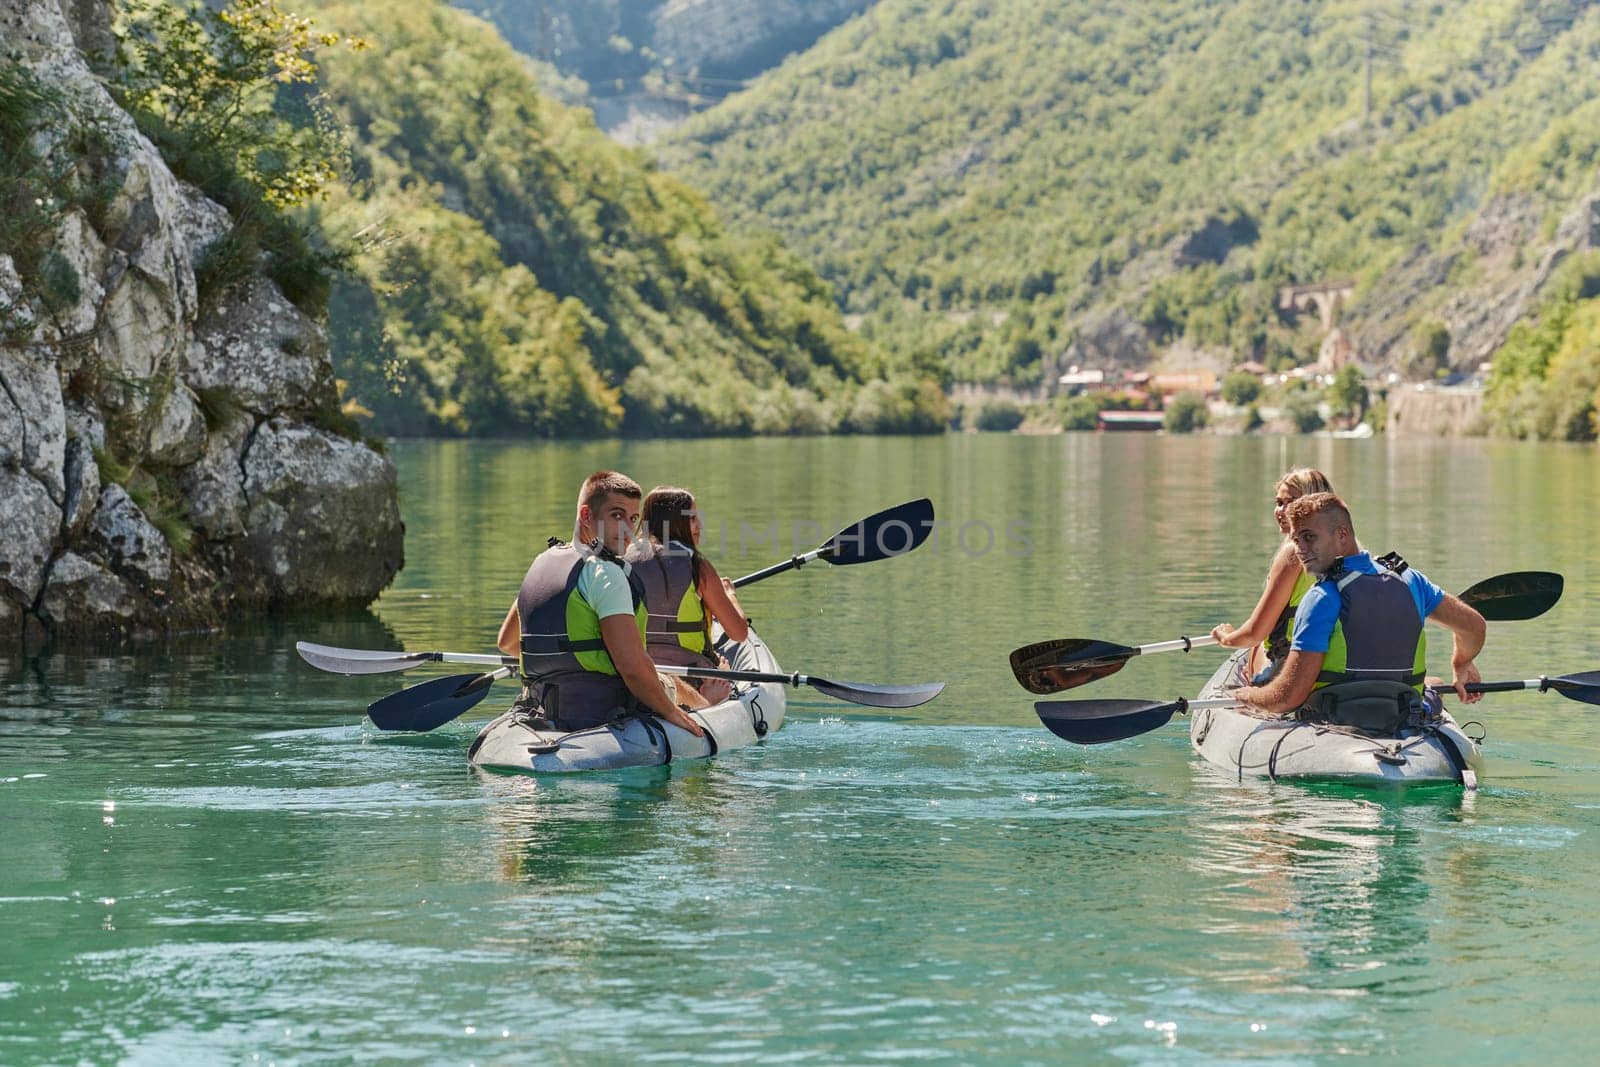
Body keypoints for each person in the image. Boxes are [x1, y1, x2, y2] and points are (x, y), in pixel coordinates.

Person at [1231, 493, 1486, 728]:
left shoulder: (1322, 597)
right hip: (1402, 713)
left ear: (1342, 535)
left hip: (1335, 717)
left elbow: (1287, 697)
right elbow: (1473, 626)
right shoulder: (1410, 580)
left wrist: (1248, 695)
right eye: (1296, 540)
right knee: (1434, 685)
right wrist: (1462, 662)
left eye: (1309, 537)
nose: (1300, 549)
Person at [495, 471, 704, 738]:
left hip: (543, 706)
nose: (629, 530)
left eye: (633, 518)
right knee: (679, 686)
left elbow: (509, 643)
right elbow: (633, 669)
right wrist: (673, 713)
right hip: (604, 707)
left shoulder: (543, 563)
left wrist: (563, 666)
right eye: (617, 516)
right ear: (586, 516)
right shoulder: (607, 573)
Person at [625, 486, 749, 707]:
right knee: (723, 667)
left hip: (638, 675)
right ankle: (705, 700)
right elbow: (738, 633)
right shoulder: (696, 565)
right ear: (675, 522)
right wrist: (729, 596)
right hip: (692, 676)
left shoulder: (622, 559)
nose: (699, 526)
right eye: (692, 519)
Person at [1210, 468, 1335, 684]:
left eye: (1292, 502)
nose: (1282, 511)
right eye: (1279, 502)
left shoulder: (1293, 554)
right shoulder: (1344, 547)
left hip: (1293, 666)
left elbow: (1255, 633)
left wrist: (1226, 638)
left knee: (1254, 647)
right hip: (1332, 660)